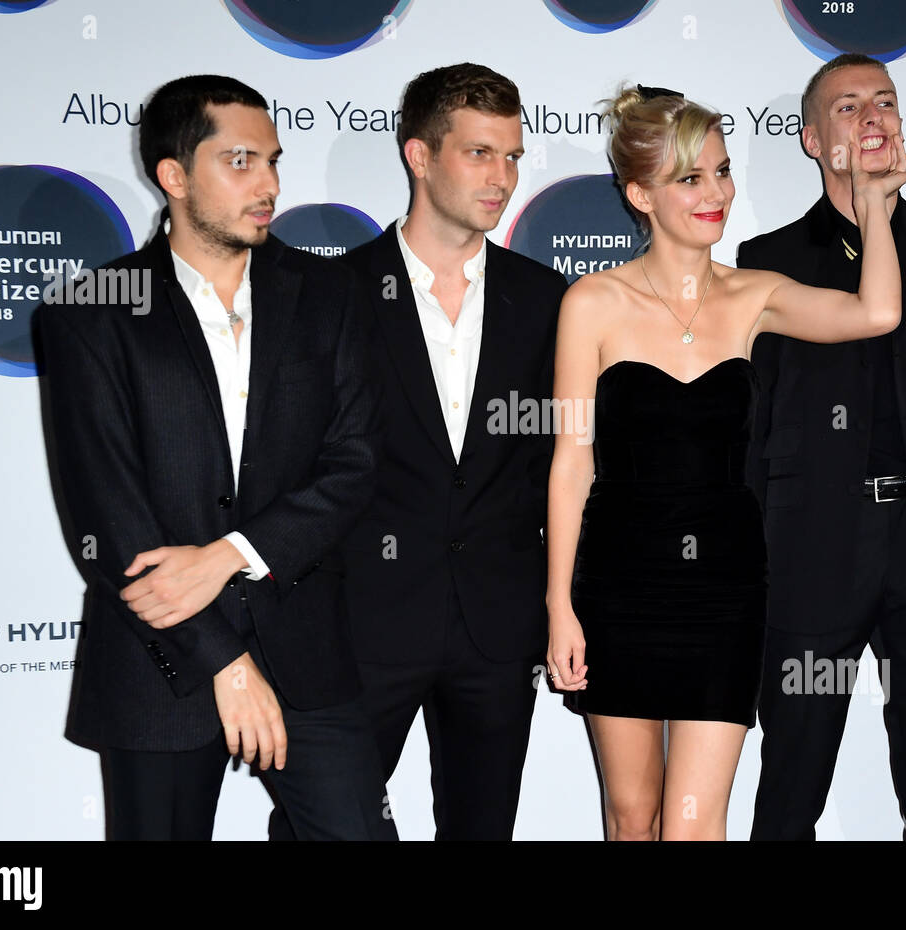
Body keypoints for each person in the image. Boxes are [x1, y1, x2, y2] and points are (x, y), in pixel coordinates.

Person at [546, 83, 906, 840]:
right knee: (632, 815)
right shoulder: (593, 303)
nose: (715, 192)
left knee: (692, 822)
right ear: (639, 194)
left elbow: (876, 313)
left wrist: (874, 206)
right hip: (618, 582)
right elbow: (571, 461)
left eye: (720, 170)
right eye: (690, 178)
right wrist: (559, 605)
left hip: (724, 587)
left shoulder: (755, 295)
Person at [36, 74, 395, 840]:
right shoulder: (90, 314)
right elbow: (108, 516)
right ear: (174, 175)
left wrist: (233, 553)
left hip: (307, 651)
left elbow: (355, 461)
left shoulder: (331, 293)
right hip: (158, 658)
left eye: (273, 161)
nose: (268, 184)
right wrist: (225, 663)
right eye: (240, 162)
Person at [272, 63, 565, 840]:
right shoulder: (331, 295)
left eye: (511, 155)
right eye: (479, 154)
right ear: (419, 155)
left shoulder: (546, 297)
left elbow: (558, 466)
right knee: (321, 828)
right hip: (364, 623)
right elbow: (302, 470)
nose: (501, 177)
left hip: (499, 628)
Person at [736, 54, 906, 840]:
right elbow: (754, 420)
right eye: (849, 107)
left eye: (884, 101)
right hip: (811, 549)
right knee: (789, 797)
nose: (873, 117)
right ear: (814, 140)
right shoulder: (767, 261)